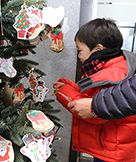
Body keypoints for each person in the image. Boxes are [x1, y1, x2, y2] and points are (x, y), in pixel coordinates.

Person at [53, 18, 136, 162]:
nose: (79, 56)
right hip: (115, 147)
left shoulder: (108, 76)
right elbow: (93, 95)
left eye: (80, 51)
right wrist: (71, 86)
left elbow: (94, 113)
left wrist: (63, 93)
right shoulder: (117, 67)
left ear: (98, 49)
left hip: (110, 151)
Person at [68, 72, 136, 120]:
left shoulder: (113, 71)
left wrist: (94, 106)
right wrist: (69, 85)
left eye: (80, 51)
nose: (79, 56)